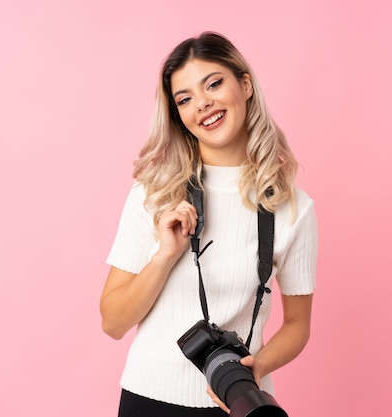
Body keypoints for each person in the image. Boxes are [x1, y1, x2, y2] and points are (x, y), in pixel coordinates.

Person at [100, 32, 318, 417]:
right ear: (178, 116)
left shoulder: (293, 207)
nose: (203, 104)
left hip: (238, 403)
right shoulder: (153, 193)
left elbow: (298, 324)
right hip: (147, 399)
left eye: (214, 84)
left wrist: (256, 368)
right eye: (185, 99)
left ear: (245, 84)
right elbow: (113, 323)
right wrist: (165, 257)